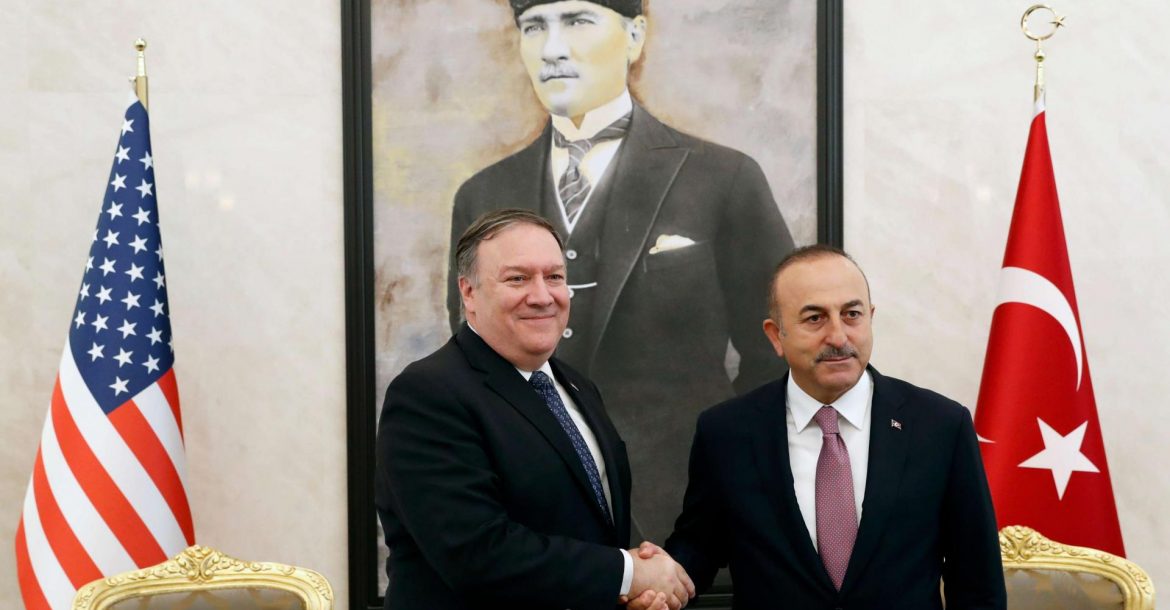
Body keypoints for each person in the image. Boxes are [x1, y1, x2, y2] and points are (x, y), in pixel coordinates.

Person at [446, 0, 795, 544]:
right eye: (534, 26)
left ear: (635, 36)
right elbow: (473, 361)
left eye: (578, 21)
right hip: (532, 525)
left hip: (689, 515)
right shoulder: (483, 194)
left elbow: (777, 351)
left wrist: (728, 467)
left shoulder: (724, 177)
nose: (553, 49)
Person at [647, 245, 1006, 609]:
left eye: (852, 314)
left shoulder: (939, 426)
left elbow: (978, 585)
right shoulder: (726, 432)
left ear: (870, 318)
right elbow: (700, 546)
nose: (838, 336)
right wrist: (658, 580)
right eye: (815, 318)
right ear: (776, 335)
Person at [376, 209, 694, 609]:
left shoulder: (577, 386)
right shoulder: (428, 393)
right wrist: (629, 573)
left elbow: (588, 530)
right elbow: (477, 554)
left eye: (555, 277)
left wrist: (629, 592)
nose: (543, 296)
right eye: (518, 279)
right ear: (468, 292)